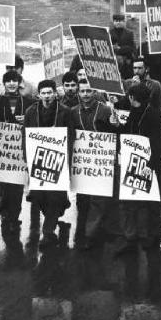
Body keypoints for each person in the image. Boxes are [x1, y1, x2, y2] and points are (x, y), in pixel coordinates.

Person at [110, 82, 161, 254]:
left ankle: (153, 236)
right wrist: (117, 126)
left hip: (148, 165)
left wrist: (151, 164)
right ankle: (131, 236)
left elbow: (160, 143)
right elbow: (129, 133)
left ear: (132, 98)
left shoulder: (153, 115)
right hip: (133, 162)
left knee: (150, 204)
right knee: (129, 201)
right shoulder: (136, 112)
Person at [23, 79, 74, 249]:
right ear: (39, 95)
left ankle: (48, 231)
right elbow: (25, 135)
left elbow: (71, 136)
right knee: (39, 197)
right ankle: (58, 210)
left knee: (53, 196)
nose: (47, 96)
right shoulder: (31, 112)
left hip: (58, 160)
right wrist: (26, 157)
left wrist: (67, 158)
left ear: (55, 94)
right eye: (43, 93)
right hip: (38, 160)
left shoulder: (65, 112)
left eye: (49, 93)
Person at [0, 70, 34, 235]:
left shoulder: (28, 102)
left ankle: (14, 217)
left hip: (20, 148)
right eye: (8, 81)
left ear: (19, 82)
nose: (12, 83)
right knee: (4, 184)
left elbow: (36, 121)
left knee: (17, 185)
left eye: (14, 80)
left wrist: (26, 120)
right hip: (2, 148)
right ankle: (6, 213)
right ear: (4, 84)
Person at [70, 80, 113, 249]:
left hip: (100, 161)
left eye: (89, 91)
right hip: (82, 162)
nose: (86, 95)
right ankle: (83, 230)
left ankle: (91, 233)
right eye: (82, 91)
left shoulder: (105, 109)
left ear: (94, 92)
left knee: (99, 198)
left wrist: (114, 123)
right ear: (78, 93)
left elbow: (113, 132)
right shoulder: (73, 112)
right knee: (82, 199)